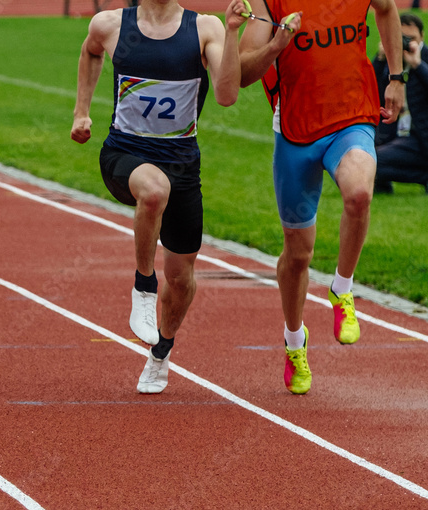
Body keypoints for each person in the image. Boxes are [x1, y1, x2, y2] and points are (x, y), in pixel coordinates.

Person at [71, 0, 247, 393]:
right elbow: (90, 51)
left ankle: (160, 353)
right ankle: (143, 287)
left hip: (182, 164)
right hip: (123, 156)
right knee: (153, 191)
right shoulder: (110, 24)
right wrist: (81, 111)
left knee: (182, 279)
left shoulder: (205, 29)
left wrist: (233, 31)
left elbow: (227, 95)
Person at [239, 0, 405, 395]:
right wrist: (277, 44)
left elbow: (386, 8)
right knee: (298, 254)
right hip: (297, 130)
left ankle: (342, 289)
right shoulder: (268, 2)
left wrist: (397, 76)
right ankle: (295, 342)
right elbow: (244, 71)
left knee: (360, 193)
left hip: (352, 117)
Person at [372, 13, 428, 193]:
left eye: (410, 38)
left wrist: (418, 66)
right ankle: (383, 182)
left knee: (374, 160)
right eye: (400, 37)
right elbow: (371, 91)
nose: (405, 43)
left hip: (422, 138)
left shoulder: (425, 58)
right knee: (366, 159)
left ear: (422, 37)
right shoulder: (392, 60)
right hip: (398, 136)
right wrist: (381, 59)